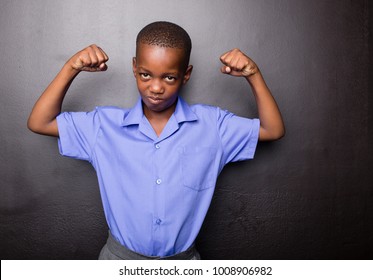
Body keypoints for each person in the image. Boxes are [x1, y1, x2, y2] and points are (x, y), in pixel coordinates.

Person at [27, 21, 284, 260]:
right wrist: (71, 67)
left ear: (186, 75)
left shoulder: (213, 126)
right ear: (134, 67)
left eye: (169, 77)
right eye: (145, 75)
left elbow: (272, 130)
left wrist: (253, 74)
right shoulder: (103, 126)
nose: (156, 88)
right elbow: (40, 122)